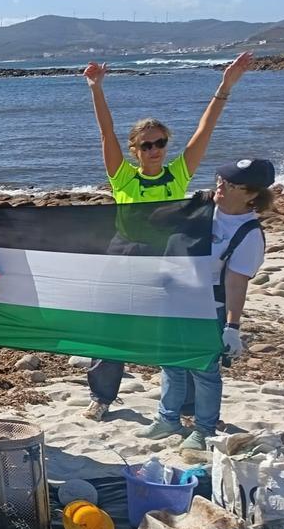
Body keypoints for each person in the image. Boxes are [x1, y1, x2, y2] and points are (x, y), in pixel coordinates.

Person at [80, 51, 254, 421]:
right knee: (111, 329)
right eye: (146, 145)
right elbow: (106, 132)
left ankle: (187, 405)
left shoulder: (178, 175)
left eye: (160, 143)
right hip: (125, 255)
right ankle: (102, 395)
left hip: (169, 259)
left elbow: (204, 130)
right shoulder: (123, 176)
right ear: (135, 150)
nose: (154, 150)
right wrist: (96, 88)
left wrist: (226, 84)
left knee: (179, 330)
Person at [135, 159, 274, 451]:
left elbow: (237, 284)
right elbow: (154, 221)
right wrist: (187, 206)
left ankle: (204, 428)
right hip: (175, 296)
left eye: (231, 184)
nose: (220, 186)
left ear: (251, 194)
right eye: (220, 179)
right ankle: (168, 419)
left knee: (204, 370)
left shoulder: (248, 234)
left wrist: (232, 327)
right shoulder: (202, 208)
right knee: (170, 362)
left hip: (207, 304)